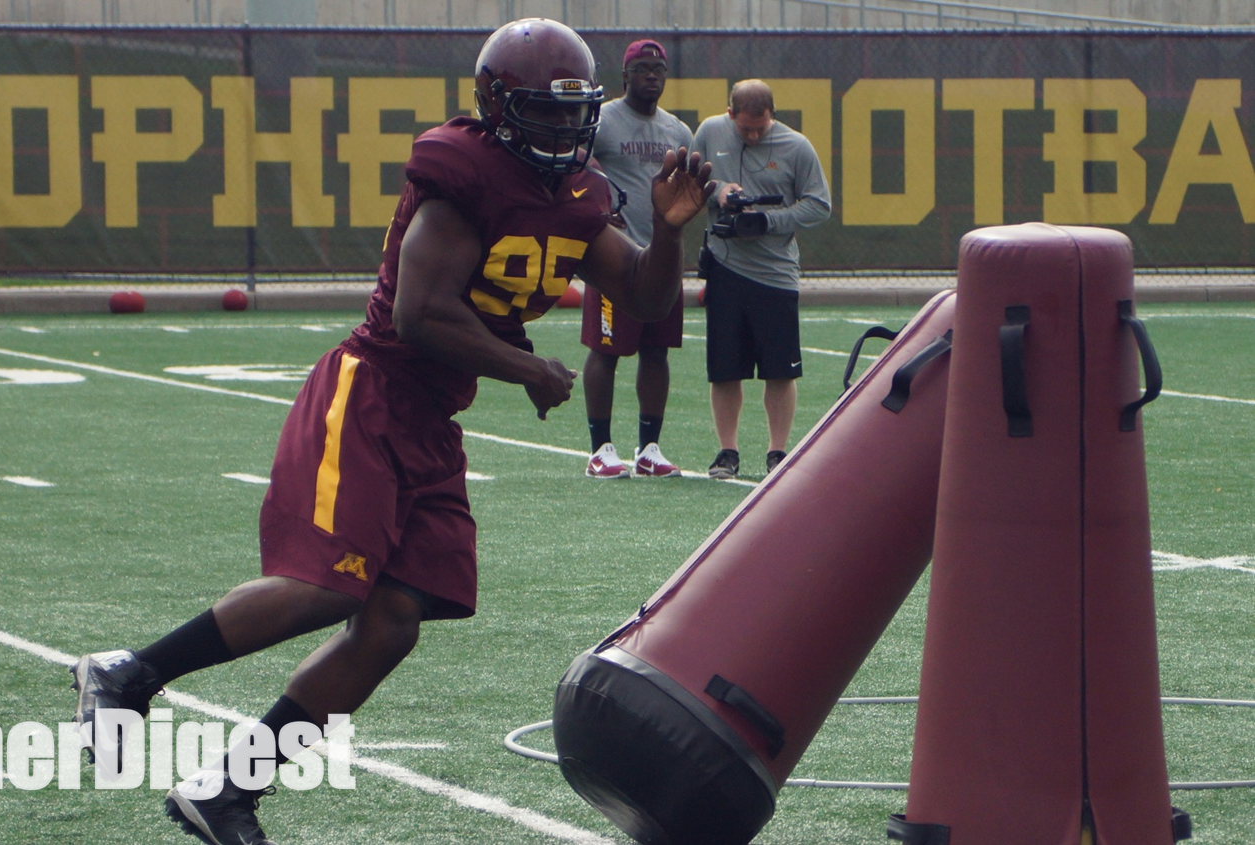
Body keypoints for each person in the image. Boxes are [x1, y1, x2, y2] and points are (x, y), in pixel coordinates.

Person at [69, 18, 711, 845]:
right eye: (542, 113)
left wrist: (668, 229)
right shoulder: (462, 174)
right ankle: (131, 670)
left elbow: (648, 299)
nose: (560, 130)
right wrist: (531, 369)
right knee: (333, 584)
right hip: (369, 394)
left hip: (432, 417)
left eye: (571, 113)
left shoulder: (580, 196)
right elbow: (418, 316)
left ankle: (228, 788)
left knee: (393, 620)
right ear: (496, 105)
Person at [690, 79, 831, 480]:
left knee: (780, 369)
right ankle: (727, 451)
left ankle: (777, 451)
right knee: (725, 368)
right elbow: (690, 181)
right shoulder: (710, 131)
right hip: (724, 265)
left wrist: (768, 220)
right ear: (730, 114)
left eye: (760, 128)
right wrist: (718, 192)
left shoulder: (796, 147)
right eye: (745, 128)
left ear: (773, 116)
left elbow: (819, 205)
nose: (752, 135)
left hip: (775, 273)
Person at [579, 38, 695, 480]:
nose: (651, 76)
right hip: (616, 257)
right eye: (642, 68)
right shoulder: (603, 119)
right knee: (605, 350)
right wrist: (600, 211)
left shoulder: (677, 131)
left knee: (656, 350)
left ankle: (649, 448)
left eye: (658, 69)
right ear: (625, 75)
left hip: (662, 256)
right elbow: (579, 164)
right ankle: (599, 448)